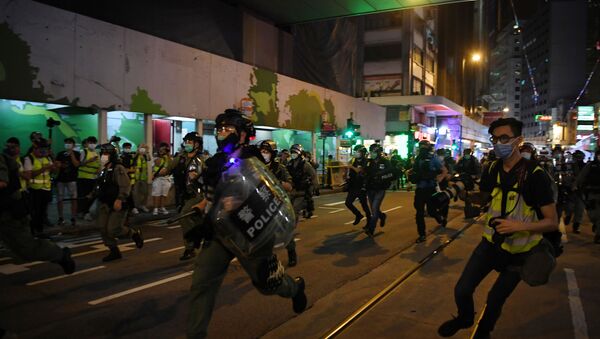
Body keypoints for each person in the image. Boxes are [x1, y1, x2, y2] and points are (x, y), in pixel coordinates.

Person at [186, 109, 307, 338]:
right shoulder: (214, 163)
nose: (222, 133)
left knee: (267, 283)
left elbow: (268, 192)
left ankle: (294, 288)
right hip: (220, 233)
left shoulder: (254, 159)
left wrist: (238, 202)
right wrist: (203, 209)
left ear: (242, 134)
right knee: (202, 284)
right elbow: (211, 197)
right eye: (220, 129)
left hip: (251, 232)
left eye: (228, 129)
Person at [438, 118, 558, 339]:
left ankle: (483, 332)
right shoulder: (492, 168)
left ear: (518, 140)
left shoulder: (535, 174)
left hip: (521, 252)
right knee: (462, 289)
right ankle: (465, 318)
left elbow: (551, 221)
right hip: (490, 244)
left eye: (504, 138)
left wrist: (518, 226)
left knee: (494, 300)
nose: (498, 143)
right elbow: (482, 198)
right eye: (495, 139)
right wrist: (456, 192)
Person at [1, 138, 75, 275]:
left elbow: (3, 182)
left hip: (10, 211)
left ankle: (59, 254)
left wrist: (53, 167)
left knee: (25, 249)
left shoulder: (6, 159)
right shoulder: (28, 158)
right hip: (32, 193)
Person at [93, 143, 144, 262]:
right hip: (105, 202)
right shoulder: (104, 168)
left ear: (112, 155)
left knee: (113, 229)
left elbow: (125, 185)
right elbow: (101, 185)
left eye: (106, 153)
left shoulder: (118, 168)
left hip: (117, 203)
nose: (103, 156)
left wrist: (120, 199)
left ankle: (133, 234)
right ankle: (113, 251)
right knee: (102, 227)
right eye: (102, 153)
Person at [259, 139, 298, 267]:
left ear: (272, 153)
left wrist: (277, 182)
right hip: (262, 206)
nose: (264, 153)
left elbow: (290, 186)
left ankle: (292, 253)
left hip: (278, 205)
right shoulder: (257, 167)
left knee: (285, 232)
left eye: (266, 152)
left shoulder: (279, 168)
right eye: (262, 151)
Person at [169, 132, 205, 261]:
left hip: (198, 194)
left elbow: (212, 176)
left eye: (191, 142)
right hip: (183, 195)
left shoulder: (204, 159)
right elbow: (167, 168)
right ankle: (198, 238)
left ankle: (191, 246)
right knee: (195, 220)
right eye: (186, 142)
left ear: (197, 144)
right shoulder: (180, 158)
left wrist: (199, 177)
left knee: (184, 216)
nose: (187, 144)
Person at [408, 140, 444, 243]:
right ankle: (422, 234)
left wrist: (439, 179)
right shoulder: (418, 159)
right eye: (421, 146)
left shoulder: (433, 158)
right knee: (419, 213)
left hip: (430, 188)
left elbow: (443, 170)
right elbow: (414, 171)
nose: (422, 148)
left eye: (424, 146)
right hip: (420, 189)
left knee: (431, 211)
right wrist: (410, 180)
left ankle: (438, 217)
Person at [22, 137, 55, 235]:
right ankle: (33, 231)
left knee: (42, 211)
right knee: (34, 212)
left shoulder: (48, 157)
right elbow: (29, 175)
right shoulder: (29, 158)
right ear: (34, 149)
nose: (43, 152)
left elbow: (54, 171)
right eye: (41, 149)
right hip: (34, 189)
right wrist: (44, 168)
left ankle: (40, 231)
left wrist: (55, 167)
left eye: (44, 149)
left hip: (47, 188)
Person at [363, 143, 394, 236]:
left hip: (380, 189)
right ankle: (382, 216)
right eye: (370, 152)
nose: (371, 154)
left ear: (378, 152)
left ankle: (371, 229)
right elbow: (365, 173)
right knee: (374, 210)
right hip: (370, 188)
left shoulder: (385, 162)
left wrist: (380, 174)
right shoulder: (369, 162)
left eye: (373, 152)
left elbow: (391, 172)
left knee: (375, 209)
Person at [55, 137, 80, 228]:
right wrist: (61, 165)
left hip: (72, 179)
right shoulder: (60, 154)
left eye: (70, 143)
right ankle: (61, 217)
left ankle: (73, 217)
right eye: (66, 143)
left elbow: (77, 164)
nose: (68, 144)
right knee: (60, 199)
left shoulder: (77, 153)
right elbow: (57, 165)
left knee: (73, 199)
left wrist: (72, 154)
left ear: (73, 145)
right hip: (61, 179)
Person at [576, 149, 600, 243]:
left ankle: (598, 234)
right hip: (592, 194)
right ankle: (596, 225)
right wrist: (577, 186)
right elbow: (581, 177)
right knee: (593, 215)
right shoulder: (590, 166)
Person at [345, 145, 371, 227]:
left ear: (362, 153)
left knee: (364, 205)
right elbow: (349, 170)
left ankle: (369, 222)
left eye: (357, 152)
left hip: (361, 186)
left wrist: (351, 166)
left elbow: (359, 171)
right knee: (348, 203)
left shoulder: (366, 161)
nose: (356, 153)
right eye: (355, 151)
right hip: (353, 185)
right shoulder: (353, 160)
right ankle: (358, 215)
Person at [287, 144, 316, 220]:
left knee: (295, 209)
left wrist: (315, 187)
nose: (293, 154)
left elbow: (313, 175)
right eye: (292, 152)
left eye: (295, 152)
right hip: (292, 190)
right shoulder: (289, 164)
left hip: (302, 191)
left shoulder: (305, 164)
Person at [77, 136, 100, 220]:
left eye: (94, 143)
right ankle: (83, 212)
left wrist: (99, 169)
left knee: (92, 195)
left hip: (93, 178)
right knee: (83, 196)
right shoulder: (83, 151)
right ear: (87, 143)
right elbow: (80, 164)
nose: (92, 144)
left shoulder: (97, 153)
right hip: (83, 177)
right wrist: (90, 160)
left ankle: (86, 211)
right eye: (90, 143)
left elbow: (99, 164)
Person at [151, 143, 172, 215]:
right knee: (157, 194)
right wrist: (162, 155)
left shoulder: (168, 157)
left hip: (166, 179)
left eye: (164, 149)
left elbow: (171, 165)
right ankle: (155, 208)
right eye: (161, 148)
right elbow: (157, 163)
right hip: (157, 179)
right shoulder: (156, 157)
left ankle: (162, 207)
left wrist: (168, 154)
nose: (162, 150)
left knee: (164, 194)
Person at [131, 143, 151, 214]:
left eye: (143, 148)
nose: (142, 149)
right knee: (135, 193)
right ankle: (135, 207)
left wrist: (147, 151)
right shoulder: (135, 156)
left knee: (145, 192)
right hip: (136, 178)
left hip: (143, 178)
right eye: (141, 148)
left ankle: (143, 205)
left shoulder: (145, 156)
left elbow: (149, 159)